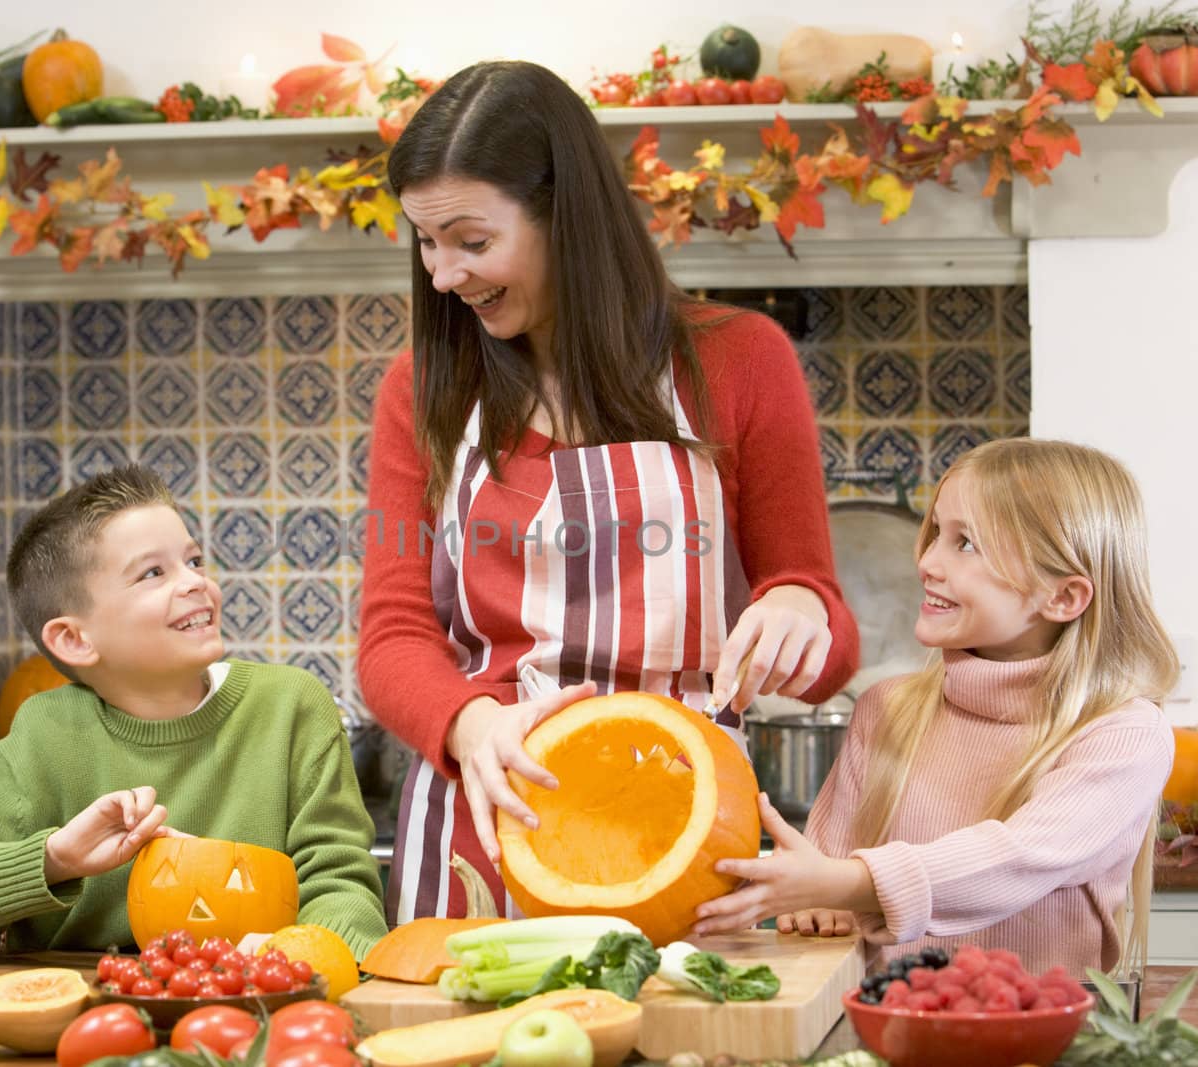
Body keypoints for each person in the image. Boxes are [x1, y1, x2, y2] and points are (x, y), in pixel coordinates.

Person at [357, 59, 860, 923]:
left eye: (473, 242)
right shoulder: (424, 385)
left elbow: (827, 633)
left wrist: (800, 612)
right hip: (491, 826)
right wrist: (469, 725)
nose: (443, 275)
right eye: (426, 241)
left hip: (685, 837)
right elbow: (393, 635)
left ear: (569, 218)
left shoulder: (739, 360)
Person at [694, 439, 1177, 975]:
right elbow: (824, 884)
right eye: (936, 535)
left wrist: (848, 884)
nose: (926, 563)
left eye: (966, 544)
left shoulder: (1124, 734)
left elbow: (1021, 858)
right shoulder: (886, 709)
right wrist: (816, 903)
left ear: (1062, 597)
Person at [0, 465, 388, 957]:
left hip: (264, 993)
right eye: (153, 572)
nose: (194, 582)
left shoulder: (291, 707)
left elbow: (338, 880)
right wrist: (54, 859)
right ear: (75, 639)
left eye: (193, 561)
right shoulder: (45, 732)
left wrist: (311, 963)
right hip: (85, 1011)